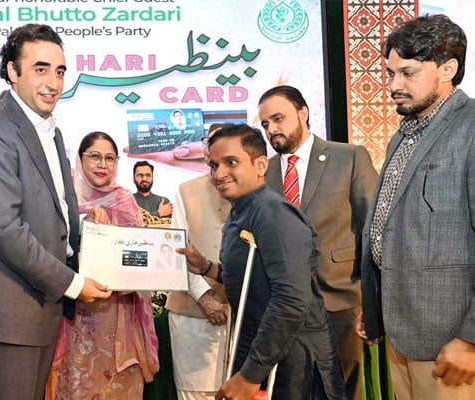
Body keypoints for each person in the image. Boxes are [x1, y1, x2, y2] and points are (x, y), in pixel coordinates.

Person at [0, 24, 112, 400]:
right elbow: (3, 229)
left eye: (60, 71)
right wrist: (73, 283)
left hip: (40, 307)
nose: (54, 82)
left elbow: (53, 211)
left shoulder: (49, 130)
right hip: (10, 311)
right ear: (12, 71)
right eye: (41, 69)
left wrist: (88, 237)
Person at [356, 14, 475, 399]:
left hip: (451, 345)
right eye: (391, 73)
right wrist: (375, 307)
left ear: (448, 69)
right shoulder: (403, 136)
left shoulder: (470, 128)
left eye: (407, 73)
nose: (393, 86)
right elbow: (392, 230)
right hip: (402, 335)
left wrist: (470, 340)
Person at [182, 124, 347, 400]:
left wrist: (250, 375)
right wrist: (208, 268)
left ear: (260, 165)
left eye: (230, 162)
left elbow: (291, 299)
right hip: (266, 347)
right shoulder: (243, 210)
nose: (218, 173)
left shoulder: (273, 213)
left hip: (295, 358)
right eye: (213, 165)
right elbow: (258, 279)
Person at [258, 85, 377, 400]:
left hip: (340, 301)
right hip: (283, 308)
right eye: (265, 124)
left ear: (303, 112)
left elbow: (373, 230)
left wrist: (373, 300)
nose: (272, 129)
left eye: (278, 119)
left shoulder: (349, 157)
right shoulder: (263, 174)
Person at [47, 131, 159, 399]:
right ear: (80, 159)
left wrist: (111, 231)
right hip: (76, 314)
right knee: (76, 384)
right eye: (95, 157)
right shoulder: (65, 202)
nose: (102, 164)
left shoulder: (124, 199)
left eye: (110, 158)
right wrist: (87, 225)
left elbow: (140, 255)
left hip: (119, 314)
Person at [166, 123, 231, 400]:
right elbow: (175, 251)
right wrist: (204, 297)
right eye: (211, 144)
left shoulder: (255, 193)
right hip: (192, 311)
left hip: (242, 314)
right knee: (196, 395)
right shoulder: (185, 191)